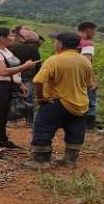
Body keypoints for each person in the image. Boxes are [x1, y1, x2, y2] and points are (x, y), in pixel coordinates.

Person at [24, 33, 96, 169]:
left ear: (61, 44)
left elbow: (38, 80)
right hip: (81, 104)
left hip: (57, 102)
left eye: (55, 41)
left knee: (43, 127)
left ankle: (41, 161)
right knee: (76, 131)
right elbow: (88, 84)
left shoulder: (54, 60)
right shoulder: (85, 61)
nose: (54, 44)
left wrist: (40, 98)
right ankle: (70, 160)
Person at [0, 27, 36, 161]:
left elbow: (13, 71)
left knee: (3, 117)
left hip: (8, 86)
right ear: (2, 38)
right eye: (10, 35)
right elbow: (3, 72)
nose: (13, 38)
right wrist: (25, 66)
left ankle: (2, 141)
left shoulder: (5, 50)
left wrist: (20, 83)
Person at [10, 26, 43, 127]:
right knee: (29, 97)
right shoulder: (34, 49)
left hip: (14, 74)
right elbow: (37, 64)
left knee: (15, 97)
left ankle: (12, 120)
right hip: (29, 75)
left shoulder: (13, 46)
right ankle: (30, 120)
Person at [77, 21, 100, 130]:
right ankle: (89, 127)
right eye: (94, 30)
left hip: (71, 75)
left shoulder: (73, 40)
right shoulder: (88, 43)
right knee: (91, 101)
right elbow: (87, 63)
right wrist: (93, 80)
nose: (95, 33)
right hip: (84, 76)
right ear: (88, 30)